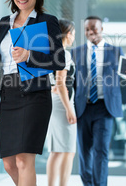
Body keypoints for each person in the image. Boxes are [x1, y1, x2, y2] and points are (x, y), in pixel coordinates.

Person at [0, 0, 65, 186]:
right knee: (9, 164)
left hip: (34, 96)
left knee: (23, 160)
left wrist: (29, 55)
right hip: (8, 95)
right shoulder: (4, 23)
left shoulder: (47, 21)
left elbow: (59, 61)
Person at [71, 16, 124, 186]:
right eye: (87, 29)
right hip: (82, 107)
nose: (90, 32)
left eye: (93, 28)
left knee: (101, 151)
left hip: (104, 107)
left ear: (102, 29)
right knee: (84, 152)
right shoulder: (76, 52)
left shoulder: (115, 51)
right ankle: (88, 183)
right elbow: (71, 82)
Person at [46, 19, 77, 186]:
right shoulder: (64, 53)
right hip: (62, 103)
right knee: (67, 151)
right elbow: (60, 83)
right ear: (68, 33)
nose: (73, 37)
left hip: (55, 101)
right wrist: (69, 109)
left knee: (57, 150)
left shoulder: (52, 51)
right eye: (73, 34)